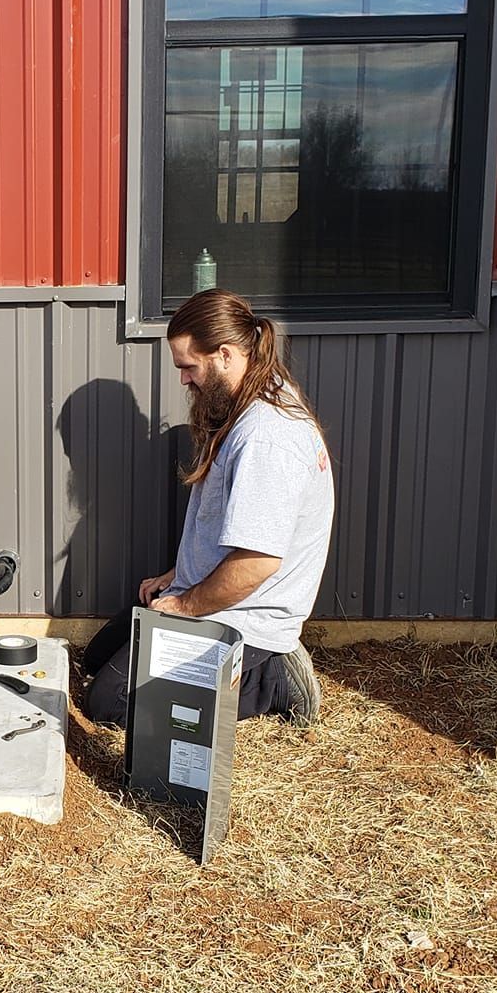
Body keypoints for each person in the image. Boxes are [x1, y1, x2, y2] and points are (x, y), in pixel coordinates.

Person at [82, 288, 334, 726]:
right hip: (217, 597)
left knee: (108, 705)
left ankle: (271, 677)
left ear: (224, 354)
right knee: (96, 659)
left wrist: (183, 606)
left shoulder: (267, 437)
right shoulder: (249, 403)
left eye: (188, 366)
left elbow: (256, 562)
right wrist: (179, 576)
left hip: (246, 617)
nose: (183, 380)